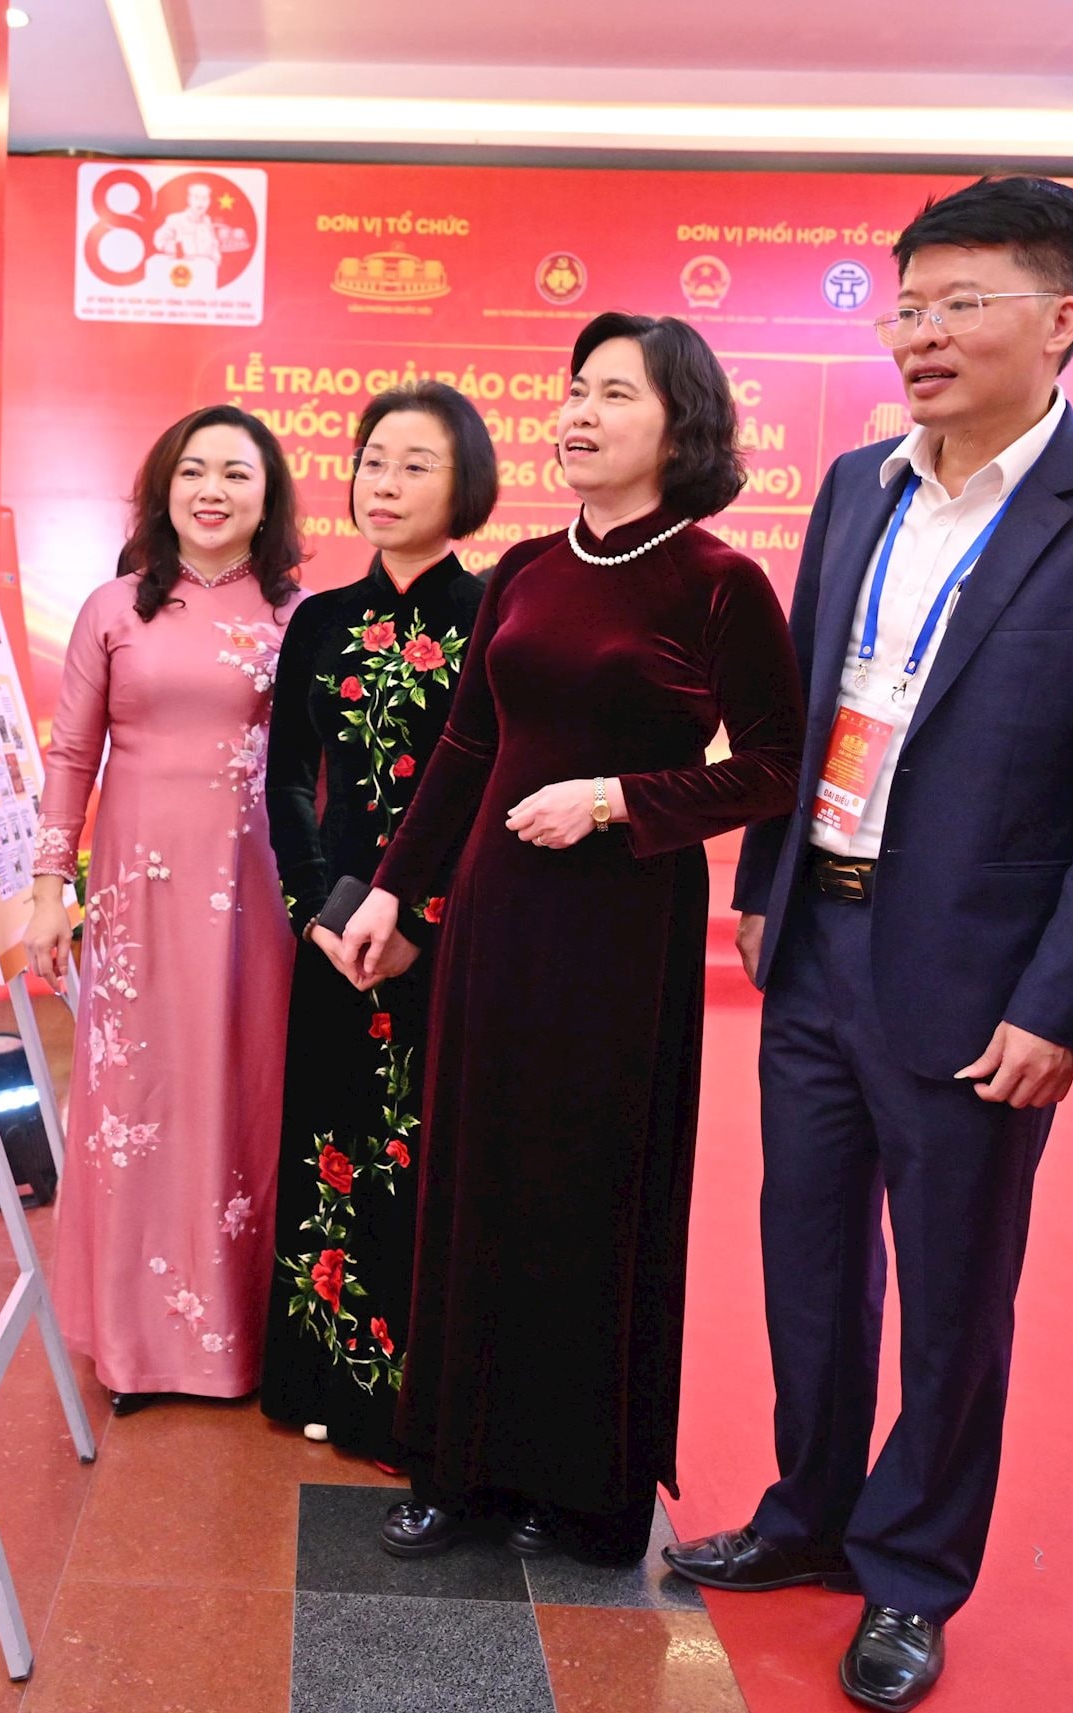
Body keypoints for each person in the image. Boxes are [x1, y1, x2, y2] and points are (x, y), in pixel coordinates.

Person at [664, 176, 1073, 1710]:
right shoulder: (859, 487)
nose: (917, 332)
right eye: (906, 303)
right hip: (818, 944)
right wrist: (768, 890)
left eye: (956, 302)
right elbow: (803, 707)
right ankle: (807, 1515)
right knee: (806, 1263)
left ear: (1060, 321)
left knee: (958, 1290)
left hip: (986, 984)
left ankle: (913, 1574)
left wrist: (1067, 1003)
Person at [340, 313, 802, 1564]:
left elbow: (772, 769)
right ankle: (454, 1462)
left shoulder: (718, 583)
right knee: (471, 1178)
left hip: (621, 927)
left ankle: (581, 1484)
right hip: (496, 914)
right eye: (574, 389)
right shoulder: (529, 569)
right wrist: (394, 890)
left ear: (680, 424)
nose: (578, 412)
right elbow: (468, 748)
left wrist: (619, 800)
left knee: (590, 1184)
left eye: (614, 393)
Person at [25, 404, 307, 1409]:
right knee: (135, 1109)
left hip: (254, 896)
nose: (213, 491)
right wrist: (47, 885)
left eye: (237, 473)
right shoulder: (112, 610)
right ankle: (135, 1343)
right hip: (136, 893)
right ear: (164, 486)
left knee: (242, 1093)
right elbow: (71, 756)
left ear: (266, 496)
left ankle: (238, 1340)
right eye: (195, 470)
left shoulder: (297, 616)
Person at [258, 380, 498, 1463]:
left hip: (441, 935)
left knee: (423, 1156)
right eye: (372, 461)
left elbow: (491, 785)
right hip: (330, 930)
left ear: (467, 488)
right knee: (329, 1145)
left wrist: (423, 917)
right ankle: (320, 1379)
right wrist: (316, 912)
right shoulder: (319, 618)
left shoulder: (492, 615)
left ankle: (415, 1402)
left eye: (416, 465)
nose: (384, 483)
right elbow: (288, 787)